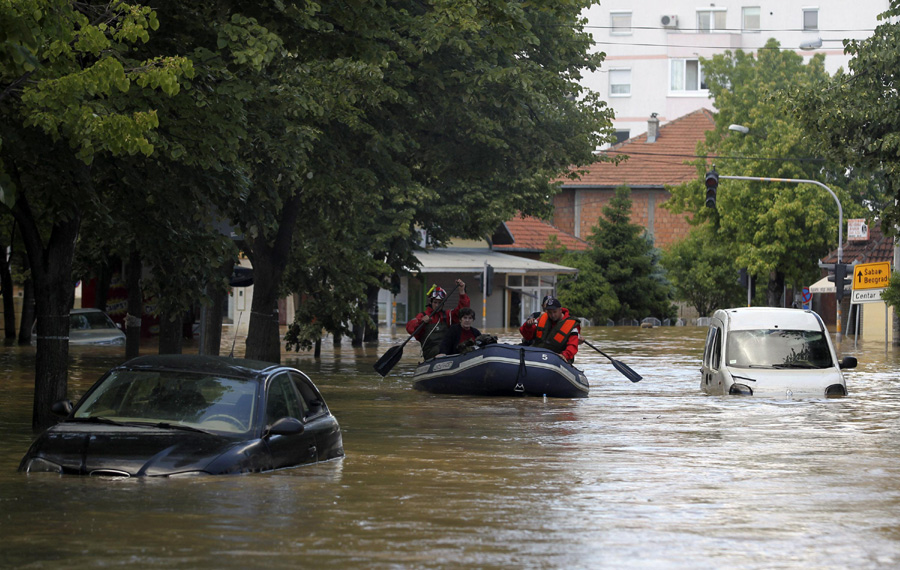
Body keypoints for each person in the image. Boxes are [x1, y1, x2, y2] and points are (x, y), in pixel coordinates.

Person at [406, 279, 469, 360]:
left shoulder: (448, 315)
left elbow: (463, 311)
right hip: (431, 351)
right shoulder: (422, 315)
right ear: (431, 302)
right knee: (442, 350)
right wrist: (421, 321)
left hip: (446, 348)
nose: (437, 305)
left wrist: (462, 291)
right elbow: (409, 327)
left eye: (440, 303)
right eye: (435, 302)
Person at [519, 296, 579, 362]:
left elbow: (573, 345)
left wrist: (565, 355)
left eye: (554, 312)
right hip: (537, 353)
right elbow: (528, 337)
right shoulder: (541, 318)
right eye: (550, 312)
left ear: (560, 310)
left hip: (556, 357)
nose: (552, 315)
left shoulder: (572, 325)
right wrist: (528, 326)